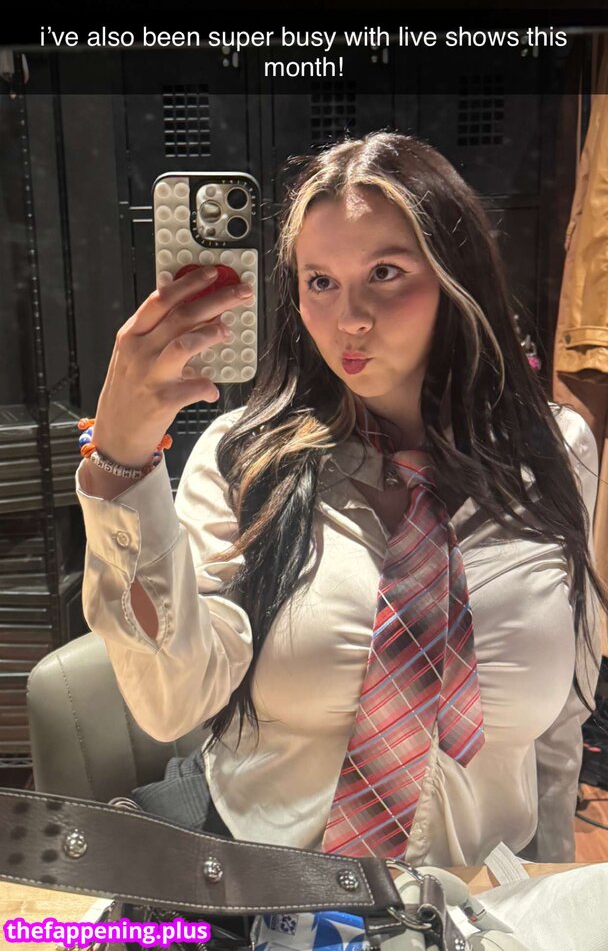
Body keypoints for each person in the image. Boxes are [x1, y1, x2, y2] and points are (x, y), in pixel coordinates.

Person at [75, 131, 605, 867]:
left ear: (457, 279)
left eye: (385, 273)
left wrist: (546, 886)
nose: (350, 318)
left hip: (475, 896)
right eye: (320, 281)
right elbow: (173, 701)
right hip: (268, 879)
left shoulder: (556, 452)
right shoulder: (242, 457)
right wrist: (122, 467)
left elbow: (561, 718)